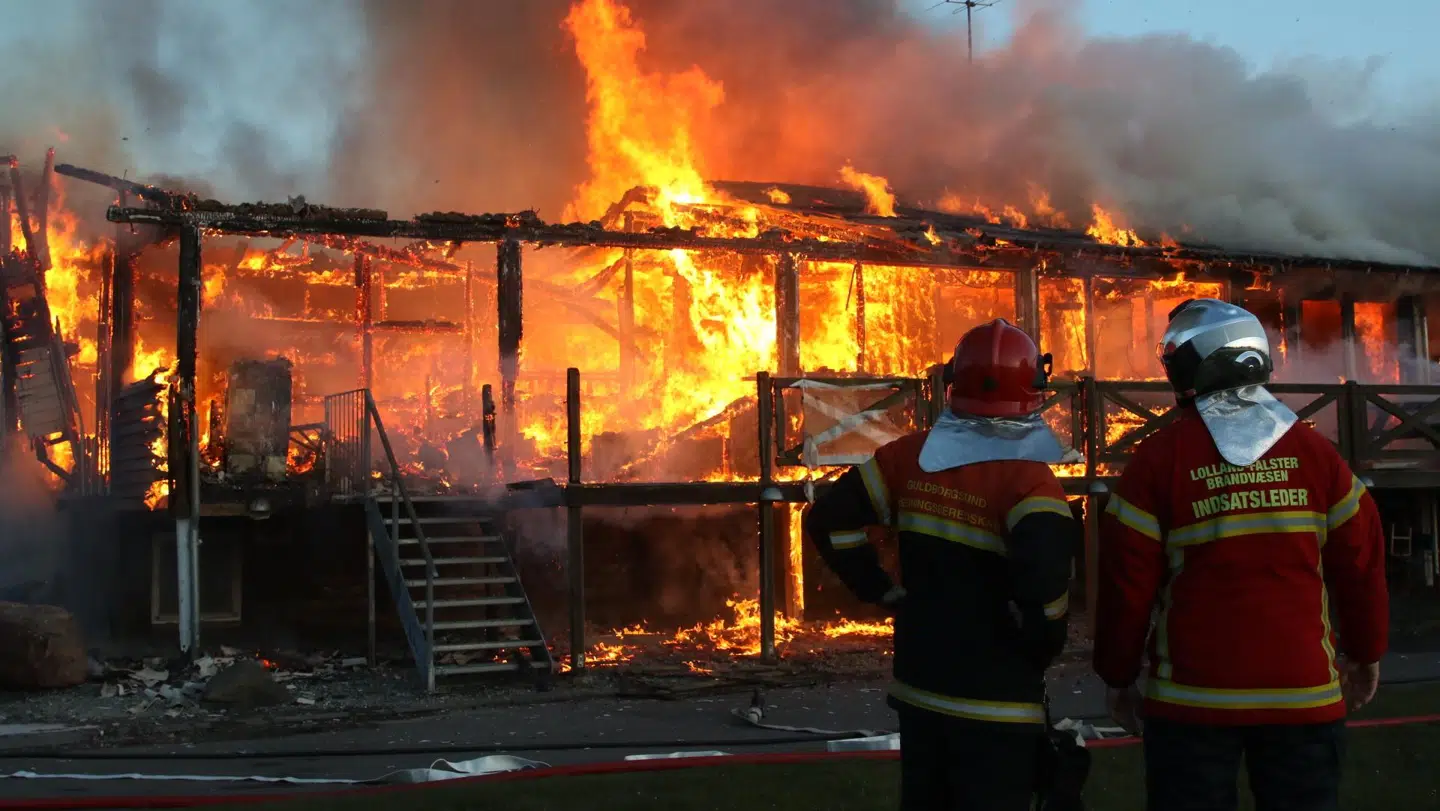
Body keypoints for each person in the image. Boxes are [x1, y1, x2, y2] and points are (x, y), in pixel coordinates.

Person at [1093, 298, 1389, 811]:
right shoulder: (1318, 455)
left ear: (1189, 368)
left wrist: (1117, 676)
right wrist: (1366, 652)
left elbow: (1126, 585)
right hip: (1304, 698)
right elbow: (1361, 565)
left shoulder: (1157, 460)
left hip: (1191, 705)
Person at [804, 318, 1080, 810]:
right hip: (999, 706)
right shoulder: (1033, 484)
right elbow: (1045, 589)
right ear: (1033, 390)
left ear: (953, 382)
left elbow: (829, 518)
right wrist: (1039, 647)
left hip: (921, 693)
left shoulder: (906, 458)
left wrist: (877, 588)